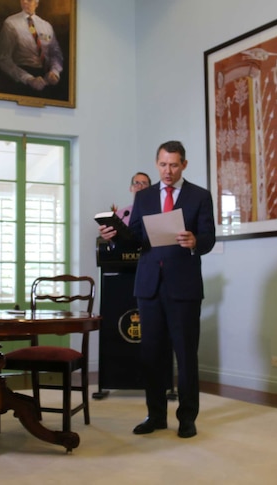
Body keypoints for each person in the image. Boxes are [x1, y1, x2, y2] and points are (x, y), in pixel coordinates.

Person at [99, 141, 216, 439]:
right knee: (152, 354)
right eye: (163, 165)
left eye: (174, 165)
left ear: (184, 165)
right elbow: (135, 238)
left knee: (186, 356)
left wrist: (195, 242)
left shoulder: (199, 196)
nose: (168, 171)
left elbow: (209, 238)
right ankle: (155, 415)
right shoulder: (146, 196)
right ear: (156, 163)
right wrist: (114, 235)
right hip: (149, 284)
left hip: (184, 287)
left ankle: (187, 418)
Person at [0, 0, 63, 93]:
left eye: (29, 0)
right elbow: (3, 58)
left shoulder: (46, 26)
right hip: (21, 80)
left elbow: (55, 53)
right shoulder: (11, 23)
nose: (25, 2)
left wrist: (55, 72)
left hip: (46, 78)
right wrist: (28, 79)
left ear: (37, 3)